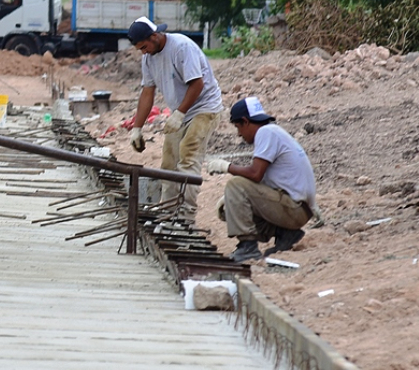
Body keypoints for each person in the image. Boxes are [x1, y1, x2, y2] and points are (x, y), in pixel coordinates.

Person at [127, 16, 224, 219]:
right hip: (180, 111)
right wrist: (137, 128)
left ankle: (185, 217)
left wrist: (180, 113)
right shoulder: (148, 58)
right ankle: (169, 212)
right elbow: (147, 92)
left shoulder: (181, 47)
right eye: (140, 49)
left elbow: (197, 84)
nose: (143, 52)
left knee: (188, 159)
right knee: (169, 163)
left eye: (144, 46)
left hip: (204, 108)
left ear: (154, 36)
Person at [207, 97, 317, 263]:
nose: (239, 134)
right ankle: (285, 234)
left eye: (238, 127)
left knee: (235, 185)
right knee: (230, 205)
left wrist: (226, 167)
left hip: (295, 210)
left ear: (245, 121)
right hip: (298, 209)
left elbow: (255, 174)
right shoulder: (273, 131)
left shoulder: (265, 133)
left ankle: (247, 248)